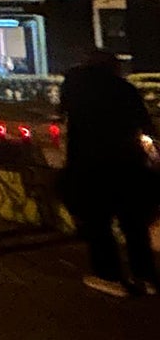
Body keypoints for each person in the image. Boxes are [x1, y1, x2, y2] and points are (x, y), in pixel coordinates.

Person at [58, 50, 159, 297]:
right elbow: (145, 125)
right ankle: (145, 277)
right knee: (134, 225)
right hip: (128, 165)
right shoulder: (125, 90)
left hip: (89, 166)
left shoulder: (74, 86)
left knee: (98, 224)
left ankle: (110, 276)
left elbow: (64, 117)